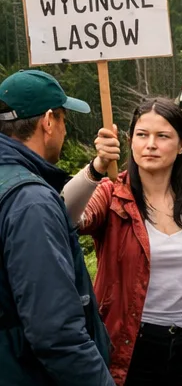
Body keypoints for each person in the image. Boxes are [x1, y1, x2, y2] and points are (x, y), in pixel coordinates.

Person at [62, 98, 182, 386]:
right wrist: (96, 167)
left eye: (163, 136)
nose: (151, 145)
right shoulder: (112, 195)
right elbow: (65, 216)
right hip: (129, 347)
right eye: (142, 135)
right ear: (130, 140)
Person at [0, 69, 114, 386]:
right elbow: (55, 331)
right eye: (63, 119)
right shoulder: (31, 202)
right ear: (48, 121)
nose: (64, 129)